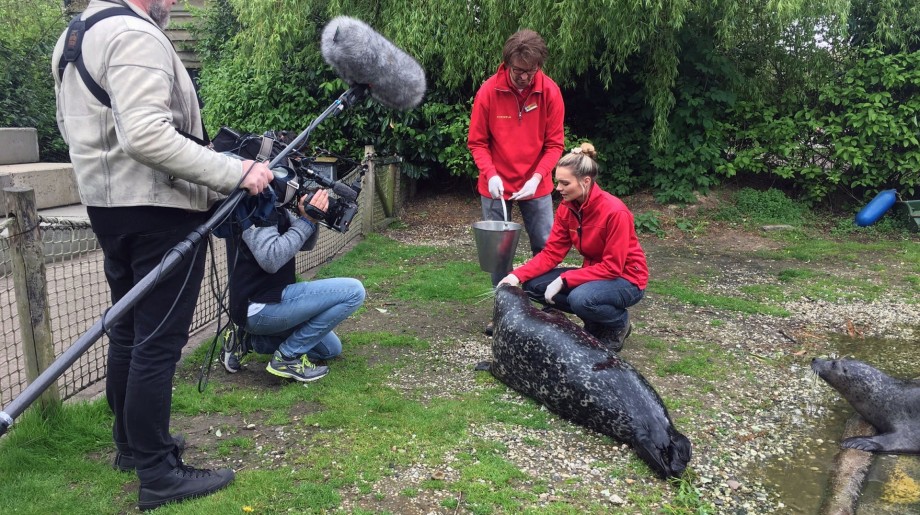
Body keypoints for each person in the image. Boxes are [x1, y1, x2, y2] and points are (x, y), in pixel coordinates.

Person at [51, 0, 275, 510]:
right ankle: (158, 474)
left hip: (108, 208)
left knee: (128, 331)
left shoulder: (73, 36)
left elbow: (75, 128)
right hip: (158, 210)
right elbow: (147, 134)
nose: (172, 3)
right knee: (158, 342)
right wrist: (233, 171)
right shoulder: (137, 35)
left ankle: (132, 449)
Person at [498, 143, 648, 352]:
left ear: (585, 181)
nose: (558, 188)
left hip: (627, 278)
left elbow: (613, 267)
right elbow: (552, 252)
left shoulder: (615, 212)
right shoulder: (567, 208)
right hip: (595, 274)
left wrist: (564, 280)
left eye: (564, 183)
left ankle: (618, 323)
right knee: (533, 286)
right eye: (557, 181)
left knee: (581, 298)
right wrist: (516, 276)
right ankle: (595, 322)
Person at [468, 28, 565, 334]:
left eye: (530, 71)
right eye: (518, 71)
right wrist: (491, 174)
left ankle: (546, 310)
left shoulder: (549, 92)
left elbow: (554, 145)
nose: (524, 77)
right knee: (499, 255)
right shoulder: (488, 92)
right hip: (496, 187)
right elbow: (477, 143)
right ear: (507, 63)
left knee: (546, 247)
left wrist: (538, 177)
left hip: (536, 186)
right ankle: (504, 313)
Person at [222, 190, 366, 381]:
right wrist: (306, 221)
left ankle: (249, 341)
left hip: (275, 300)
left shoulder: (276, 205)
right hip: (257, 307)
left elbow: (305, 244)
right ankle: (287, 357)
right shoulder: (252, 206)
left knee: (330, 349)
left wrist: (310, 218)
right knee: (354, 291)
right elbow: (270, 259)